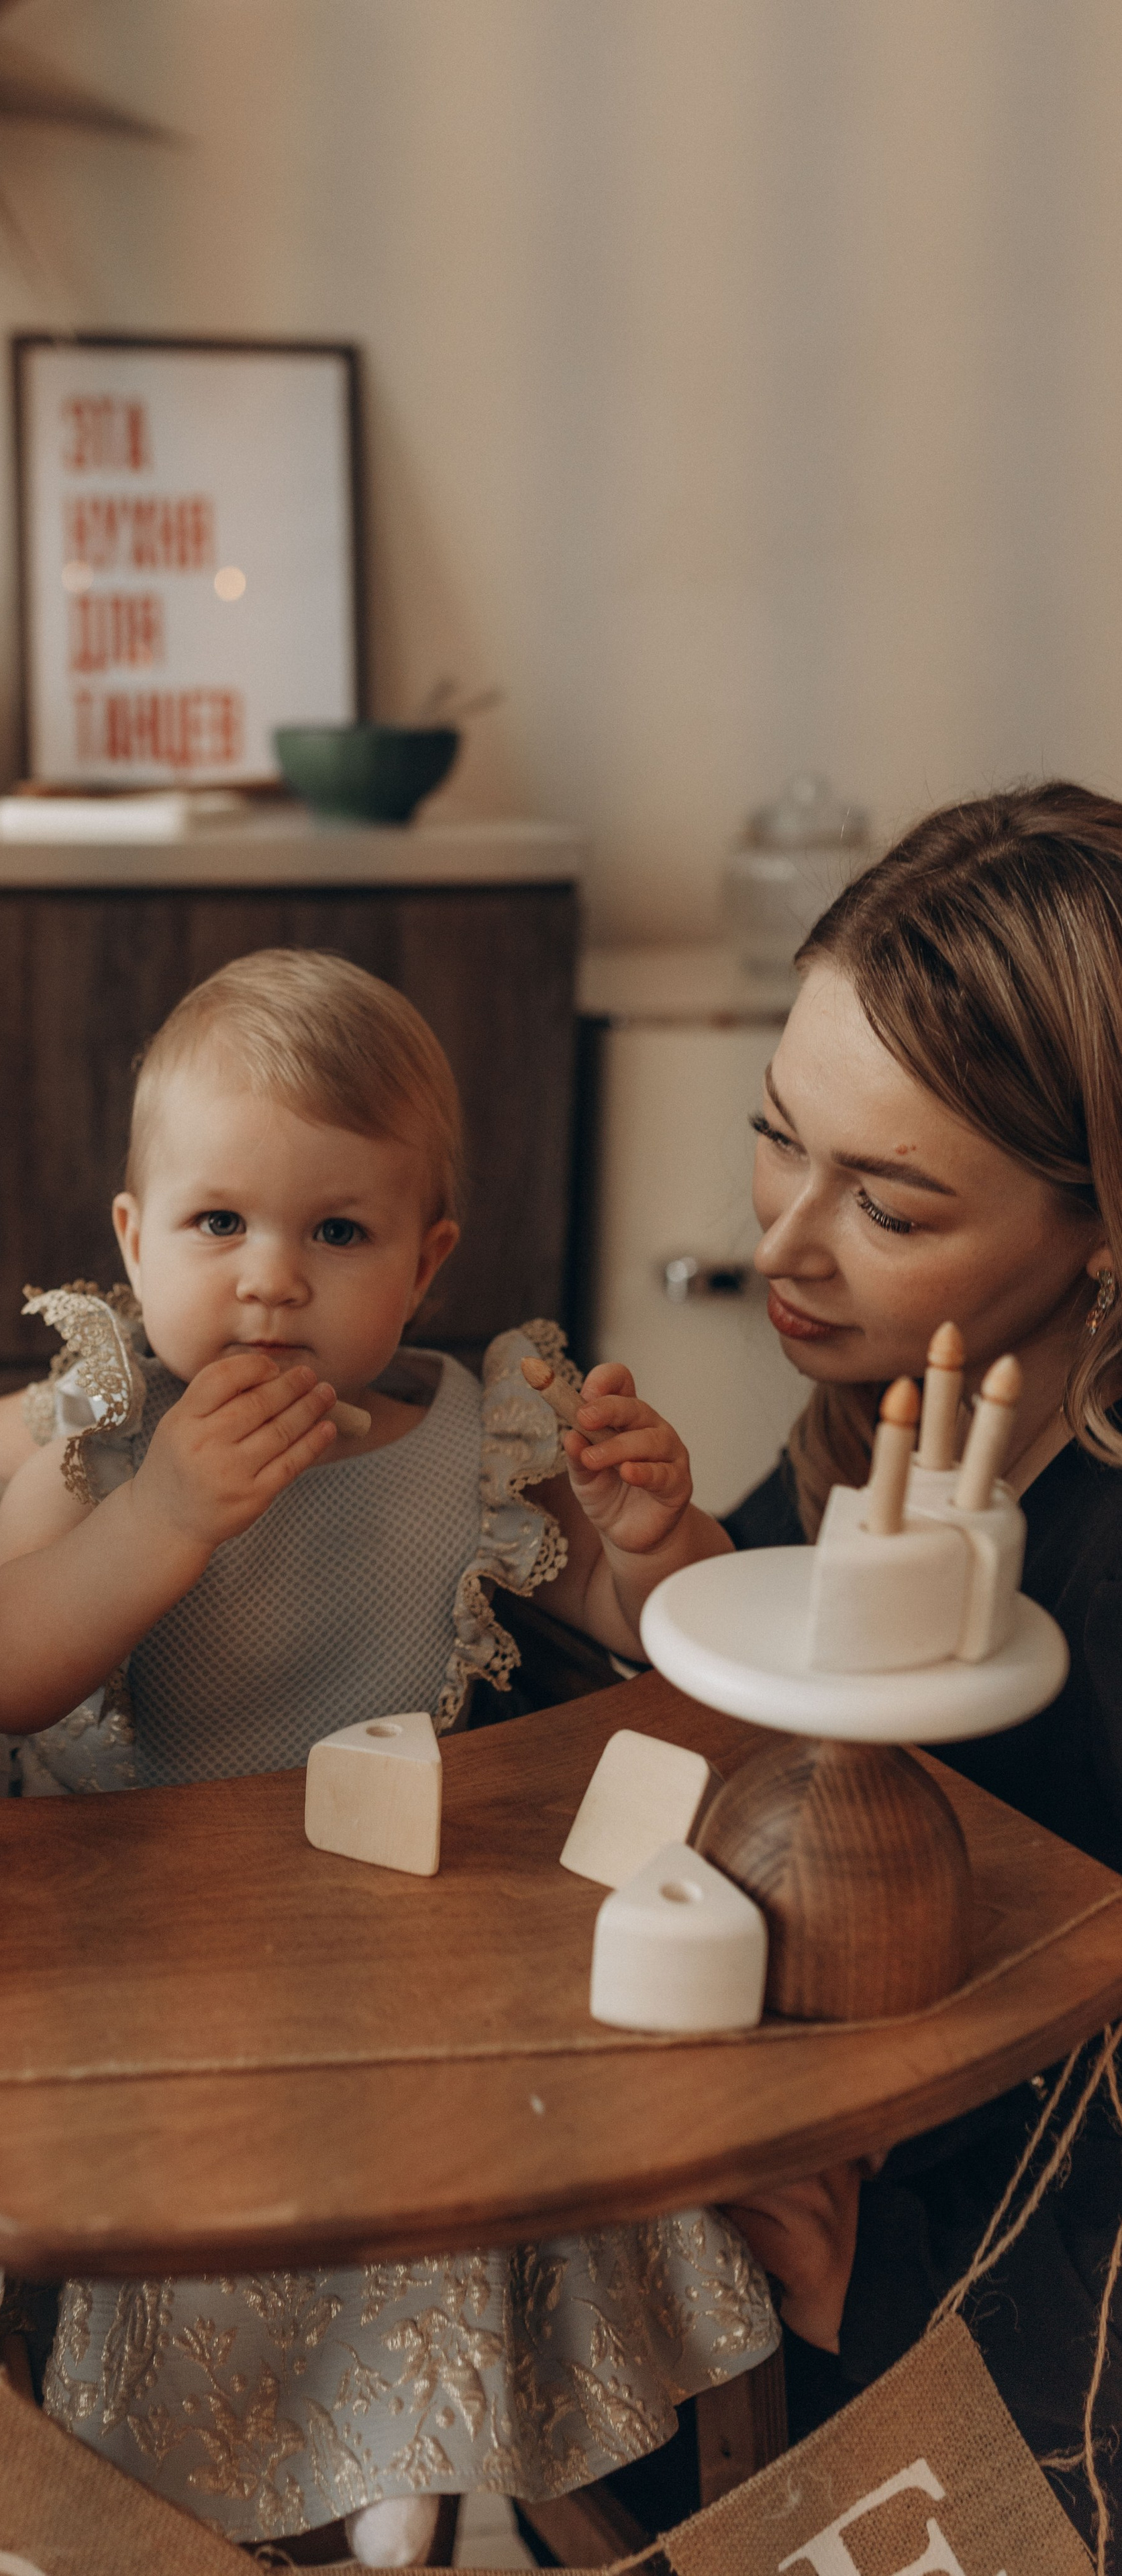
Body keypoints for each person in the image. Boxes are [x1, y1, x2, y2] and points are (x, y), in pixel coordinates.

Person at [0, 948, 774, 2565]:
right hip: (174, 1928)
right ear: (130, 1236)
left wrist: (658, 1532)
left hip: (415, 1915)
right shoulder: (105, 1437)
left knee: (480, 2130)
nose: (267, 1282)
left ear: (423, 1261)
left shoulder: (479, 1432)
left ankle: (427, 2425)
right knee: (249, 2171)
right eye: (215, 1224)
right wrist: (169, 1518)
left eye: (336, 1233)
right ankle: (302, 2450)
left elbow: (640, 1618)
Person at [714, 783, 1122, 2549]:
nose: (783, 1244)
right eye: (772, 1135)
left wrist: (874, 2278)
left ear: (1102, 1224)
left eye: (886, 1203)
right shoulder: (890, 1432)